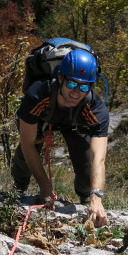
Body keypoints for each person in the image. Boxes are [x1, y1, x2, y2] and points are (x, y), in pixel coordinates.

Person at [11, 48, 109, 227]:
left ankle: (85, 200)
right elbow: (27, 144)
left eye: (84, 87)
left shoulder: (95, 109)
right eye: (72, 84)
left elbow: (99, 158)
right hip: (43, 117)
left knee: (87, 171)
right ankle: (18, 188)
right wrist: (45, 185)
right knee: (25, 157)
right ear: (61, 78)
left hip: (75, 122)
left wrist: (96, 197)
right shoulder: (37, 95)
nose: (76, 92)